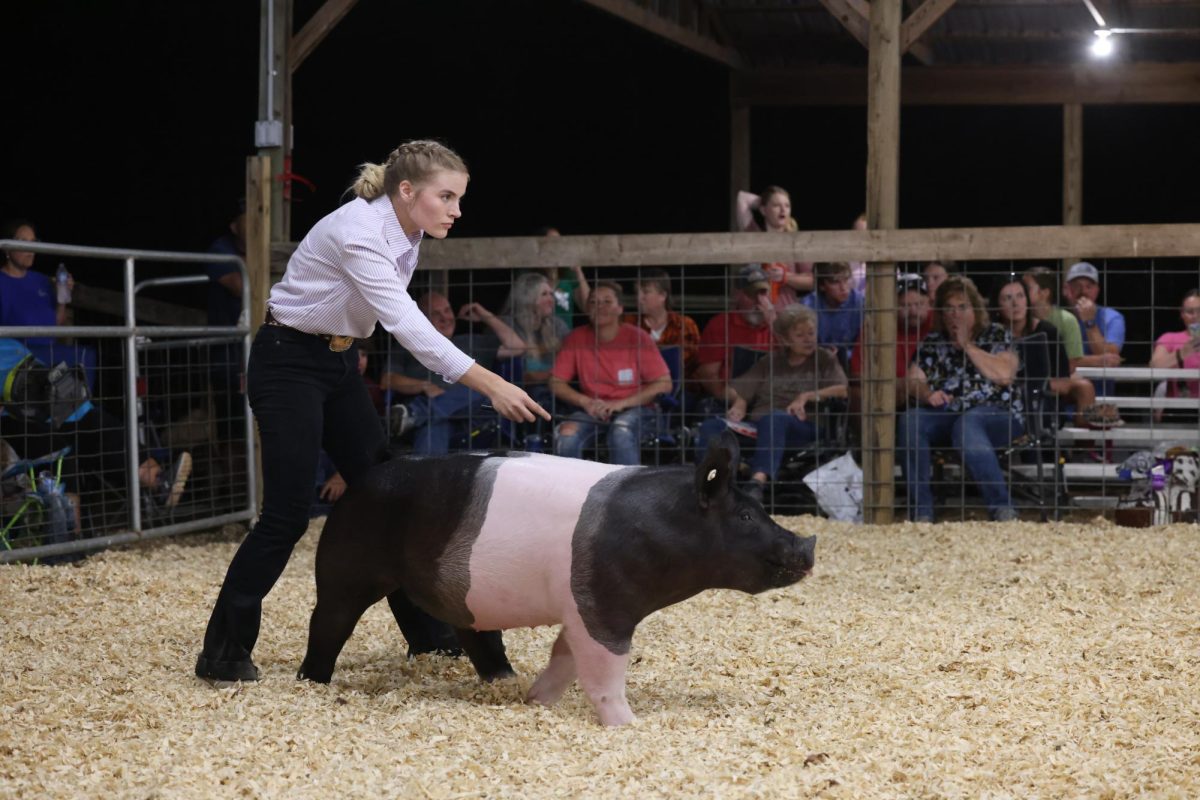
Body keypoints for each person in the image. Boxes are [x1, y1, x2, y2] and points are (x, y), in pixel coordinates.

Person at [195, 140, 548, 683]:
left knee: (390, 496)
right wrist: (490, 382)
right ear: (407, 192)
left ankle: (429, 638)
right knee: (287, 514)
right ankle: (222, 652)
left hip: (337, 363)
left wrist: (348, 349)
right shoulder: (357, 232)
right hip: (287, 362)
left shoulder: (408, 230)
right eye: (447, 197)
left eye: (459, 198)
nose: (457, 210)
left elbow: (369, 314)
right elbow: (407, 326)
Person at [693, 304, 847, 501]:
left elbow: (842, 389)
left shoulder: (824, 359)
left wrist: (806, 396)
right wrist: (740, 401)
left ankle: (757, 483)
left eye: (811, 333)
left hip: (802, 426)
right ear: (784, 339)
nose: (808, 339)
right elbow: (735, 389)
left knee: (775, 419)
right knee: (713, 426)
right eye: (800, 335)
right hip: (758, 426)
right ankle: (712, 484)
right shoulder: (770, 362)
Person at [899, 276, 1022, 523]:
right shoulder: (933, 343)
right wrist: (927, 393)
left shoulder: (996, 334)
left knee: (968, 424)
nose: (955, 314)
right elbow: (912, 380)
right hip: (948, 412)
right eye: (949, 308)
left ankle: (1002, 508)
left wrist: (967, 345)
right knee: (910, 420)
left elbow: (1004, 375)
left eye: (962, 307)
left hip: (996, 413)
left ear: (975, 309)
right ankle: (921, 512)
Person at [384, 290, 524, 455]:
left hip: (475, 415)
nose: (445, 318)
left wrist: (485, 315)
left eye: (447, 310)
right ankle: (429, 478)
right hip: (438, 420)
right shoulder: (407, 346)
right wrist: (424, 385)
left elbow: (518, 347)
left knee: (482, 390)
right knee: (434, 424)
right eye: (436, 314)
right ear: (422, 319)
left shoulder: (471, 341)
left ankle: (415, 413)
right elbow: (388, 380)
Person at [548, 281, 671, 465]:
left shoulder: (637, 337)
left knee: (621, 431)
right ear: (586, 309)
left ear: (620, 308)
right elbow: (555, 382)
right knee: (567, 433)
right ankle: (569, 492)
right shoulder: (576, 338)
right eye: (594, 302)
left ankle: (626, 492)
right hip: (593, 408)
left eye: (607, 301)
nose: (600, 307)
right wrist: (585, 402)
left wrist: (620, 404)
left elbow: (664, 383)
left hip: (636, 409)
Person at [0, 218, 97, 390]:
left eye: (33, 242)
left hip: (48, 354)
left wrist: (62, 298)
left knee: (84, 356)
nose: (30, 250)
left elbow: (56, 323)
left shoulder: (42, 281)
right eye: (23, 242)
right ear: (7, 247)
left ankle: (79, 409)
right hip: (15, 358)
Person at [993, 277, 1098, 429]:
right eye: (1007, 298)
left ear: (1027, 300)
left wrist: (1028, 388)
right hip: (999, 405)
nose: (1015, 303)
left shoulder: (1047, 332)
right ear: (997, 305)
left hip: (1040, 405)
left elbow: (1064, 383)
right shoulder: (990, 334)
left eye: (1020, 296)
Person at [848, 273, 933, 408]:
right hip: (887, 393)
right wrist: (893, 384)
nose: (913, 312)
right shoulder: (877, 325)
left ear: (929, 303)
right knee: (857, 394)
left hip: (931, 391)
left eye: (919, 304)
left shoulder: (939, 323)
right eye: (905, 305)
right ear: (893, 305)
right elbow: (856, 374)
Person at [694, 266, 777, 405]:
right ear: (737, 295)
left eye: (763, 294)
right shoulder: (720, 324)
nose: (758, 301)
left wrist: (774, 324)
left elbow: (797, 363)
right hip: (729, 397)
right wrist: (730, 399)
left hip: (772, 398)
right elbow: (708, 374)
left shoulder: (780, 324)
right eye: (751, 295)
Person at [204, 200, 249, 442]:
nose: (253, 222)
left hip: (262, 354)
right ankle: (239, 478)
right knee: (232, 432)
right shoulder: (220, 249)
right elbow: (240, 286)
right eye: (247, 217)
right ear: (234, 226)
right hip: (228, 359)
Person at [735, 186, 814, 304]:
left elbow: (812, 281)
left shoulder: (796, 242)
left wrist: (785, 277)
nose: (783, 210)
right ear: (762, 210)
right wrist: (764, 203)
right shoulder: (754, 235)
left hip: (786, 316)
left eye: (787, 206)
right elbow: (742, 197)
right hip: (756, 315)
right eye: (777, 205)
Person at [1062, 261, 1125, 397]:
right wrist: (1096, 360)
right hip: (1061, 398)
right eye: (1077, 286)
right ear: (1066, 289)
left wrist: (1089, 322)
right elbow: (1055, 361)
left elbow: (1111, 357)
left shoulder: (1113, 317)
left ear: (1097, 290)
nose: (1083, 291)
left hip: (1101, 398)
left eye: (1089, 286)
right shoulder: (1058, 318)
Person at [624, 268, 700, 378]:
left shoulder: (685, 325)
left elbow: (689, 365)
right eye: (637, 292)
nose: (639, 298)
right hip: (636, 387)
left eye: (645, 292)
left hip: (680, 390)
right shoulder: (628, 323)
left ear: (663, 295)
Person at [801, 261, 864, 365]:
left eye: (846, 280)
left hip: (854, 362)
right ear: (822, 286)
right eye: (835, 282)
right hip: (816, 362)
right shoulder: (808, 305)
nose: (843, 288)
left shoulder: (859, 302)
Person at [1148, 288, 1200, 401]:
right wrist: (1182, 353)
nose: (1195, 316)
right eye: (1190, 312)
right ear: (1182, 314)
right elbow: (1154, 366)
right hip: (1179, 409)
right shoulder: (1170, 338)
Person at [535, 227, 591, 327]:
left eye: (559, 242)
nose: (557, 246)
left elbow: (588, 308)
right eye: (552, 242)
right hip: (538, 338)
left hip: (566, 338)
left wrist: (578, 270)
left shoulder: (569, 274)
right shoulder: (531, 275)